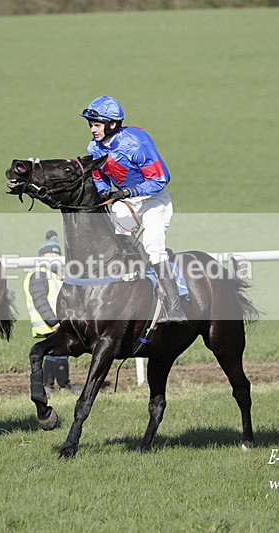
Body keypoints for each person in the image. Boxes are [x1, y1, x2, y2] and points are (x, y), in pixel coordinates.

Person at [80, 96, 187, 323]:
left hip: (153, 200)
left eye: (96, 125)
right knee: (115, 240)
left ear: (112, 124)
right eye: (90, 125)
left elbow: (160, 179)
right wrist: (104, 192)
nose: (92, 130)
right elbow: (98, 175)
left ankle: (176, 306)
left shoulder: (137, 143)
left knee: (153, 246)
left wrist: (128, 192)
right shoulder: (94, 148)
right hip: (127, 201)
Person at [24, 230, 82, 394]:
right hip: (50, 322)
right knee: (59, 351)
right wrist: (53, 321)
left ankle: (51, 385)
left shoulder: (54, 275)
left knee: (56, 352)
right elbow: (40, 299)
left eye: (56, 254)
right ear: (41, 256)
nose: (53, 257)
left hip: (55, 322)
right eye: (49, 253)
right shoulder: (40, 274)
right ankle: (59, 385)